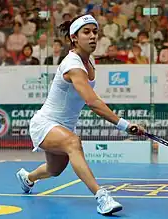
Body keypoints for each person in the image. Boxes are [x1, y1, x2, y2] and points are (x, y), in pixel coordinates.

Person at [16, 14, 145, 215]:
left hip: (64, 127)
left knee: (54, 169)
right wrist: (124, 125)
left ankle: (27, 178)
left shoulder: (89, 61)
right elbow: (91, 101)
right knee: (73, 143)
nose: (93, 36)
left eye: (95, 31)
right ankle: (102, 197)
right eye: (86, 32)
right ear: (74, 37)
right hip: (45, 124)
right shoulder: (73, 64)